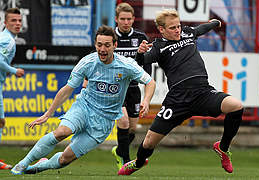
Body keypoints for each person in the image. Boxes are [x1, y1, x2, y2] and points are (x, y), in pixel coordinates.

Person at [10, 25, 156, 175]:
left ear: (115, 45)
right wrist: (47, 114)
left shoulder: (126, 65)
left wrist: (146, 100)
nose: (103, 49)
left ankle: (37, 167)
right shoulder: (88, 62)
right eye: (99, 45)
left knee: (64, 159)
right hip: (84, 107)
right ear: (95, 45)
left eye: (107, 45)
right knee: (62, 132)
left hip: (104, 121)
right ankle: (23, 163)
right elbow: (67, 89)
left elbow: (150, 82)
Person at [118, 9, 243, 176]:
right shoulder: (158, 46)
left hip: (202, 93)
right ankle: (138, 163)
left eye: (178, 26)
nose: (177, 30)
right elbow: (143, 61)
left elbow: (201, 29)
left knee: (236, 106)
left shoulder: (187, 33)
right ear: (161, 29)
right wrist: (140, 54)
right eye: (172, 28)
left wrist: (215, 23)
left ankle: (223, 148)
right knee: (148, 143)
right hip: (177, 100)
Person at [82, 2, 151, 170]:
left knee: (133, 129)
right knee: (124, 121)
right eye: (122, 19)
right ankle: (126, 161)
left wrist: (147, 81)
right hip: (115, 89)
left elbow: (147, 62)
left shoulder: (141, 38)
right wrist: (86, 80)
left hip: (133, 88)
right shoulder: (110, 38)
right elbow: (96, 59)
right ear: (116, 19)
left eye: (129, 19)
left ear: (134, 19)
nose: (126, 22)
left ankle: (120, 150)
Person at [0, 8, 25, 170]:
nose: (17, 24)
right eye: (13, 21)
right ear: (5, 23)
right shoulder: (7, 40)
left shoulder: (5, 38)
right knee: (1, 121)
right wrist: (14, 71)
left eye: (19, 21)